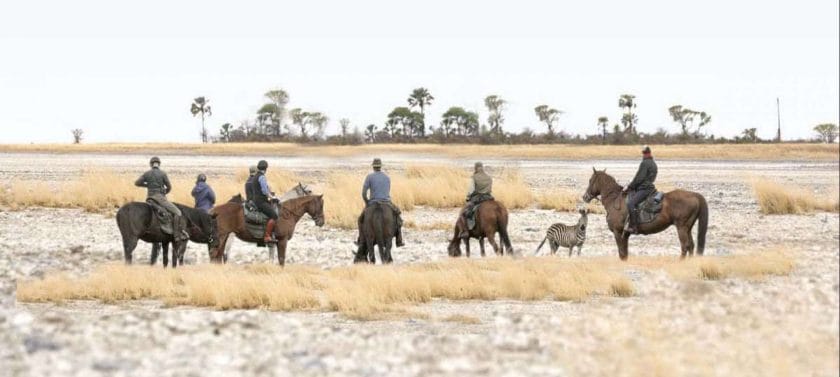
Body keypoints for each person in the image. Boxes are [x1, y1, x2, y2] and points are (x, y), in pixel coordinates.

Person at [135, 156, 188, 241]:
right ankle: (177, 235)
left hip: (149, 198)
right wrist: (164, 192)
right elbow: (169, 187)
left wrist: (147, 185)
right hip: (160, 198)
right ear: (159, 164)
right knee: (178, 212)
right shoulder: (163, 173)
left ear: (151, 164)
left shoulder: (147, 173)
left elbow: (137, 183)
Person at [358, 158, 404, 247]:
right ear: (380, 167)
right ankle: (399, 240)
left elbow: (364, 193)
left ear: (373, 167)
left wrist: (367, 202)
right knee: (398, 217)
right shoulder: (387, 177)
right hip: (387, 202)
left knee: (360, 220)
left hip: (373, 202)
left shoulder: (369, 177)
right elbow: (387, 191)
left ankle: (361, 239)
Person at [622, 145, 658, 234]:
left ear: (649, 153)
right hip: (650, 188)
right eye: (643, 153)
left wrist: (630, 186)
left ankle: (634, 227)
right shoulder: (653, 163)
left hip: (644, 189)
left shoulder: (644, 163)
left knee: (631, 203)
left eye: (645, 153)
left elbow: (639, 178)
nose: (644, 155)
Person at [460, 161, 494, 238]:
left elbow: (471, 190)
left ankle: (466, 231)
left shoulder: (474, 177)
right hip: (488, 197)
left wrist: (468, 196)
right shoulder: (489, 177)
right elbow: (490, 189)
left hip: (477, 198)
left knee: (466, 212)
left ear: (475, 168)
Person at [250, 160, 278, 242]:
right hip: (261, 202)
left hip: (256, 200)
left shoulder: (255, 176)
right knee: (274, 216)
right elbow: (264, 191)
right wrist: (271, 197)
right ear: (265, 169)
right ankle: (267, 236)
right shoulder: (262, 177)